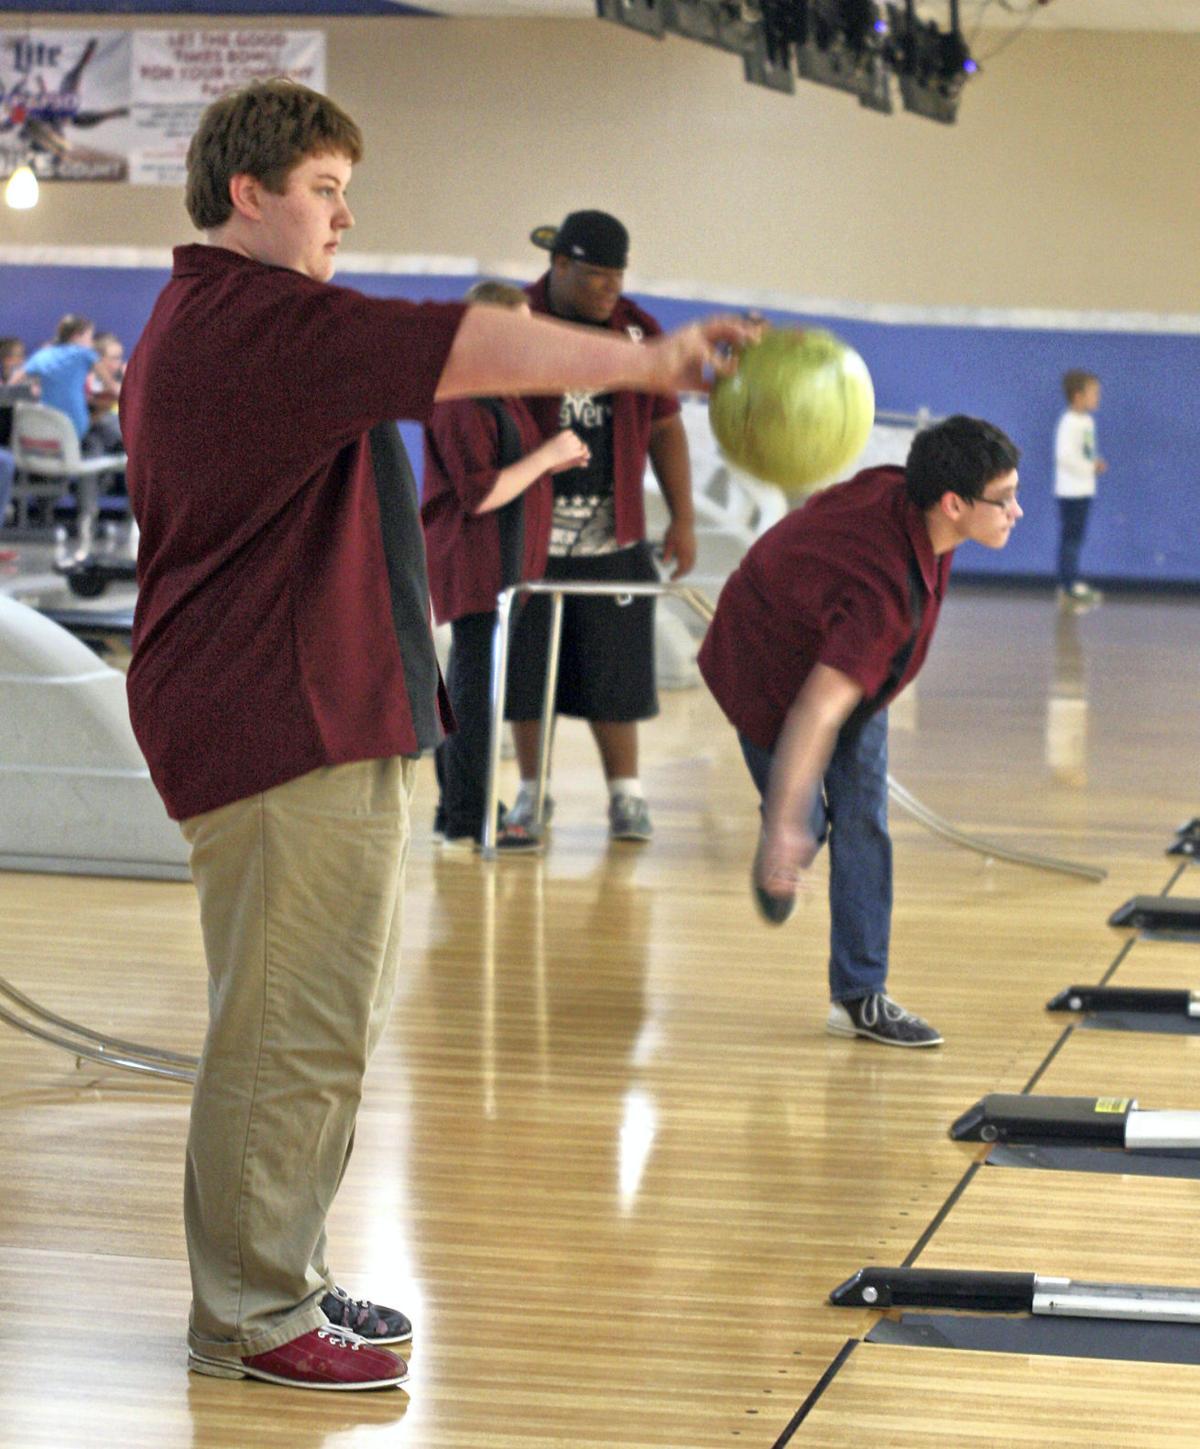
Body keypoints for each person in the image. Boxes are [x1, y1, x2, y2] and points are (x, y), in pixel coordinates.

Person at [121, 78, 751, 1393]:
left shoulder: (236, 317)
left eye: (348, 193)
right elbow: (458, 344)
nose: (344, 218)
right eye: (326, 192)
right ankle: (250, 1309)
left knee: (322, 1018)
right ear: (252, 193)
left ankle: (275, 1263)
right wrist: (645, 361)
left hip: (310, 712)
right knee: (288, 1027)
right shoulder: (255, 320)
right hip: (274, 716)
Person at [698, 415, 1022, 1049]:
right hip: (768, 670)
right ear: (953, 504)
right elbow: (814, 712)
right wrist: (788, 825)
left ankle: (858, 997)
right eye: (1004, 498)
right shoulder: (881, 595)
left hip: (842, 662)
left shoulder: (907, 494)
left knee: (864, 817)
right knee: (806, 825)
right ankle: (783, 842)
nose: (1016, 510)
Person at [506, 209, 696, 844]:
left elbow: (667, 429)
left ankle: (628, 797)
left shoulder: (639, 333)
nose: (610, 291)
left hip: (614, 536)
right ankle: (532, 795)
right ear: (559, 266)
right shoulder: (514, 322)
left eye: (618, 279)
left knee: (619, 668)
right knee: (528, 670)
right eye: (595, 278)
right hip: (527, 535)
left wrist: (683, 519)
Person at [422, 279, 589, 851]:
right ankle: (468, 814)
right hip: (475, 563)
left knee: (480, 686)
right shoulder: (459, 394)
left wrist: (552, 459)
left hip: (509, 562)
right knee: (475, 689)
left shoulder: (499, 388)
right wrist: (546, 456)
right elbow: (479, 493)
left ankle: (461, 809)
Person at [1054, 369, 1106, 609]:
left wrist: (1092, 464)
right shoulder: (1069, 422)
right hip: (1071, 491)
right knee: (1071, 539)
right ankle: (1068, 584)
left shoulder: (1087, 421)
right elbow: (1064, 458)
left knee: (1076, 537)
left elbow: (1084, 452)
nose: (1098, 397)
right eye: (1093, 393)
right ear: (1077, 396)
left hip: (1084, 489)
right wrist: (1090, 467)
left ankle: (1071, 581)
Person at [22, 314, 97, 440]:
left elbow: (14, 382)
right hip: (75, 427)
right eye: (89, 338)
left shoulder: (42, 355)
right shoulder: (84, 354)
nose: (91, 343)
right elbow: (114, 388)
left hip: (44, 427)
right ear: (76, 337)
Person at [83, 330, 126, 456]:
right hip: (98, 429)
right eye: (114, 358)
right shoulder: (87, 381)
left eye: (120, 357)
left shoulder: (122, 380)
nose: (119, 363)